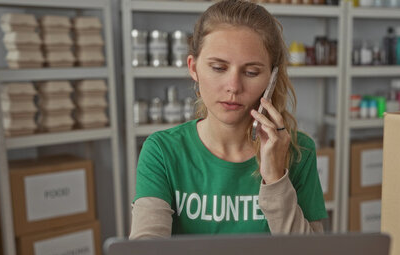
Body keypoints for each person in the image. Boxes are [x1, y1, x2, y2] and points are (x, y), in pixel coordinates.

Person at [130, 0, 327, 238]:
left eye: (251, 72)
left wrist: (276, 180)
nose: (233, 87)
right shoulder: (162, 151)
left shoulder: (298, 151)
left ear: (272, 78)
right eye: (218, 68)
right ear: (193, 68)